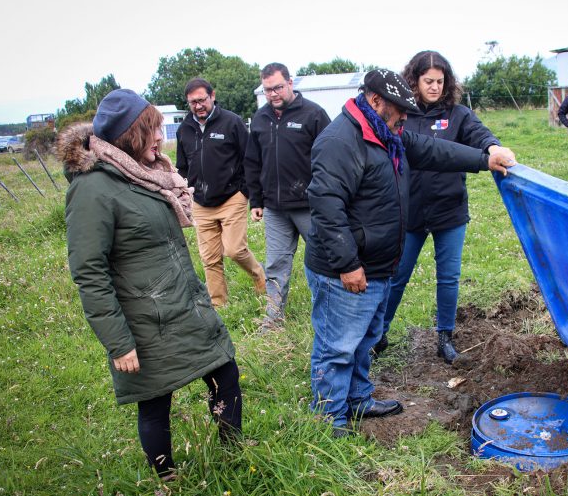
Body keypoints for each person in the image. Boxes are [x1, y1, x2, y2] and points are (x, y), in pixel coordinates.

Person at [305, 69, 515, 436]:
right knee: (337, 348)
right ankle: (329, 423)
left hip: (375, 266)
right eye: (400, 108)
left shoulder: (388, 133)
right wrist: (348, 263)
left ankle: (357, 399)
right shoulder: (340, 140)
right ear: (374, 101)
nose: (406, 115)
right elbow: (325, 205)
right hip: (346, 270)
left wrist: (485, 157)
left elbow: (433, 149)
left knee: (364, 341)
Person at [60, 89, 242, 479]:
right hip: (145, 319)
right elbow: (89, 271)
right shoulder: (92, 189)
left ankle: (235, 453)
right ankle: (167, 479)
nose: (161, 138)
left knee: (225, 373)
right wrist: (118, 341)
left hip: (183, 304)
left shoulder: (142, 174)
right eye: (152, 130)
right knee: (155, 401)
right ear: (128, 136)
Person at [376, 50, 516, 365]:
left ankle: (445, 337)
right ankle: (377, 335)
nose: (435, 87)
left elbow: (480, 136)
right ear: (414, 81)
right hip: (409, 211)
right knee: (397, 275)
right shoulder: (403, 114)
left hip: (449, 211)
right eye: (428, 81)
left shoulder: (458, 115)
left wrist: (493, 147)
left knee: (449, 277)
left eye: (440, 81)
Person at [244, 63, 331, 329]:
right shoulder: (260, 119)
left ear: (290, 83)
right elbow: (252, 161)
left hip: (309, 205)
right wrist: (256, 201)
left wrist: (326, 195)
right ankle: (273, 319)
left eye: (278, 87)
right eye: (268, 89)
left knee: (323, 259)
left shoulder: (314, 115)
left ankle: (330, 312)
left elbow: (330, 157)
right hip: (274, 207)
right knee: (275, 263)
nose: (274, 94)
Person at [176, 78, 266, 307]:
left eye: (201, 100)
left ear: (212, 96)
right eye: (192, 102)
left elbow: (250, 158)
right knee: (209, 258)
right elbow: (182, 166)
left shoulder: (232, 122)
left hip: (231, 197)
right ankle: (219, 305)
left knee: (234, 249)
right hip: (201, 202)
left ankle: (259, 275)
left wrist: (247, 192)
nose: (198, 106)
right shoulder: (184, 129)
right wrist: (186, 193)